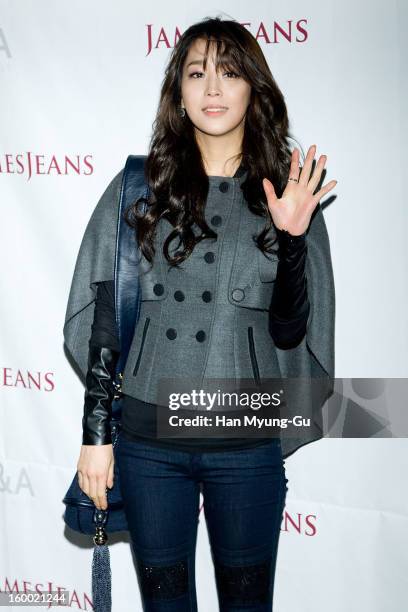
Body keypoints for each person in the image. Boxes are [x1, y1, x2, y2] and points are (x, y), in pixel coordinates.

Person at [65, 16, 336, 612]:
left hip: (244, 440)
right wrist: (95, 438)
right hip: (147, 440)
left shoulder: (288, 193)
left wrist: (293, 238)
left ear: (253, 91)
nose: (213, 88)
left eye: (230, 72)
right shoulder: (139, 186)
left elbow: (292, 334)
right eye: (197, 73)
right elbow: (107, 319)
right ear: (179, 94)